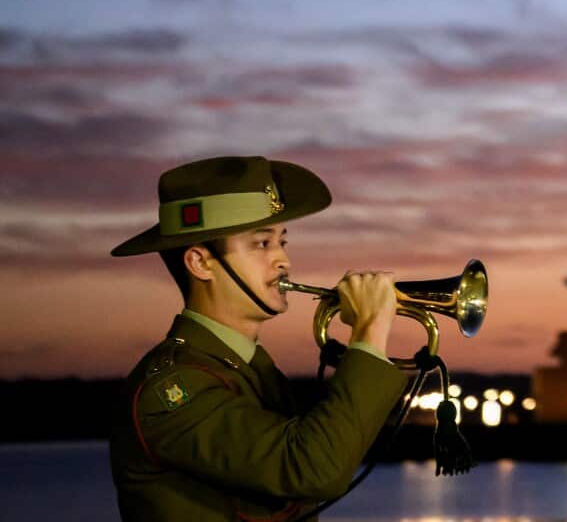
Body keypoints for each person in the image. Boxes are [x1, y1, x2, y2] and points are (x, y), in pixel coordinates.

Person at [108, 155, 408, 521]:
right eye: (262, 245)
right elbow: (310, 468)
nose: (283, 260)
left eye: (282, 241)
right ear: (201, 263)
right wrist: (370, 330)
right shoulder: (172, 391)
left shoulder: (249, 370)